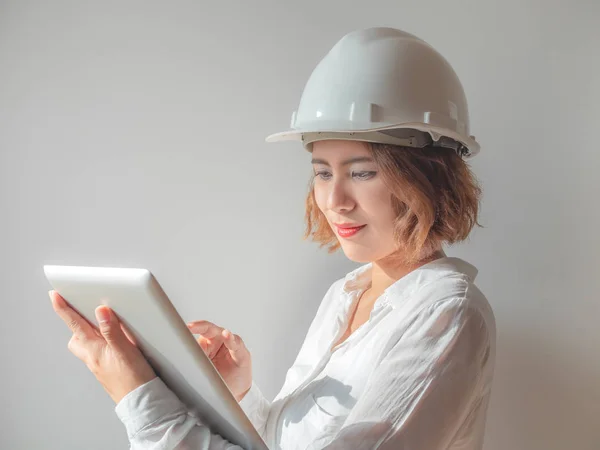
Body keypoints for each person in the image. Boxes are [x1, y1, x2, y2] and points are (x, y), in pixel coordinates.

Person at [49, 27, 496, 449]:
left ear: (430, 179)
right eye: (322, 172)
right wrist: (241, 396)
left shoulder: (448, 313)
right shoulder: (345, 295)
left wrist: (139, 398)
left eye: (362, 172)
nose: (334, 199)